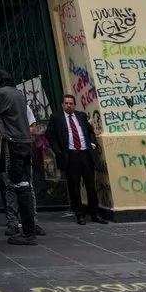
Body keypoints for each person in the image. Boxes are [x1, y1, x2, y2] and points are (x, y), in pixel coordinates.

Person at [0, 70, 42, 245]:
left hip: (12, 143)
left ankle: (28, 233)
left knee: (17, 185)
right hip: (25, 142)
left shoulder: (1, 94)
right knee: (25, 185)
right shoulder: (18, 94)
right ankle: (29, 229)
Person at [46, 94, 107, 226]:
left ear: (75, 105)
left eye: (71, 103)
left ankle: (94, 213)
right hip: (71, 156)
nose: (69, 105)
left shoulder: (81, 116)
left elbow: (90, 132)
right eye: (66, 103)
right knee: (74, 186)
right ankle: (79, 214)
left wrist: (92, 144)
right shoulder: (56, 118)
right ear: (62, 105)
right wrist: (58, 151)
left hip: (86, 154)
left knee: (91, 185)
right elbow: (50, 135)